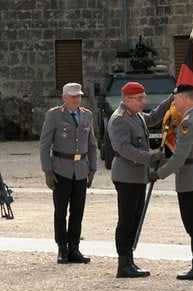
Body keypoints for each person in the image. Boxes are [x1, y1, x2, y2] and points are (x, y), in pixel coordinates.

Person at [149, 84, 193, 280]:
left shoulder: (188, 123)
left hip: (190, 178)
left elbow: (179, 158)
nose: (173, 103)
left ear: (185, 99)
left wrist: (158, 174)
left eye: (175, 100)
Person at [108, 81, 171, 278]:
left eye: (143, 97)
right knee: (126, 220)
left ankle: (130, 260)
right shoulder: (119, 119)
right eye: (139, 99)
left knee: (135, 219)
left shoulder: (135, 115)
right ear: (126, 100)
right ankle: (123, 264)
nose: (143, 101)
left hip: (137, 176)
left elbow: (153, 118)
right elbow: (124, 148)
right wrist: (151, 157)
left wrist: (171, 99)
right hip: (126, 175)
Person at [39, 83, 97, 264]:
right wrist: (47, 170)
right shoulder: (54, 115)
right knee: (61, 211)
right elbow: (44, 144)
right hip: (61, 169)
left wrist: (93, 168)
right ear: (64, 97)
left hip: (81, 169)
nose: (76, 99)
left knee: (78, 211)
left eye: (78, 96)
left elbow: (92, 144)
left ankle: (74, 248)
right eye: (72, 96)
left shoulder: (87, 114)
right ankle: (62, 248)